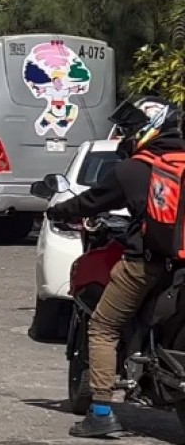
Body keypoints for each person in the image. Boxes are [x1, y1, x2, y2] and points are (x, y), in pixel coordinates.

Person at [46, 96, 185, 438]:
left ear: (147, 130)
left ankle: (102, 412)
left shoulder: (135, 168)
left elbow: (91, 201)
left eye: (131, 128)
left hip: (150, 264)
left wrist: (57, 212)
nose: (126, 134)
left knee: (103, 326)